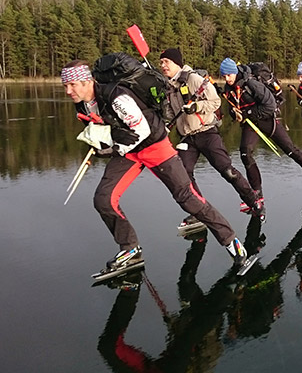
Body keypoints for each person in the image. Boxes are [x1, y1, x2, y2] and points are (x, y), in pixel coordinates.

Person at [61, 59, 248, 275]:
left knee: (187, 198)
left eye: (72, 85)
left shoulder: (116, 96)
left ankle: (232, 242)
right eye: (65, 86)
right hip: (129, 152)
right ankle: (130, 249)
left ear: (86, 81)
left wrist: (113, 141)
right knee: (104, 200)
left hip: (154, 145)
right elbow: (105, 133)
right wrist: (102, 144)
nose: (68, 91)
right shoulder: (82, 104)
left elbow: (141, 131)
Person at [159, 48, 264, 230]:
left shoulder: (193, 79)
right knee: (184, 175)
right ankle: (198, 212)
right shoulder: (168, 85)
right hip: (187, 137)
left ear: (176, 62)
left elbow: (215, 102)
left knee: (227, 171)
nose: (162, 65)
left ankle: (254, 201)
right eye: (161, 62)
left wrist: (196, 107)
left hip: (207, 132)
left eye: (166, 61)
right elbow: (170, 113)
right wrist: (161, 106)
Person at [220, 57, 302, 199]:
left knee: (291, 151)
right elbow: (234, 107)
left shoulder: (252, 84)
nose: (227, 79)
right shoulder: (228, 89)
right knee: (245, 153)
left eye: (229, 75)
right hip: (251, 124)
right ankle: (257, 192)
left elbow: (270, 106)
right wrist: (235, 113)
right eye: (224, 76)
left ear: (235, 72)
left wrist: (248, 113)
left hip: (268, 121)